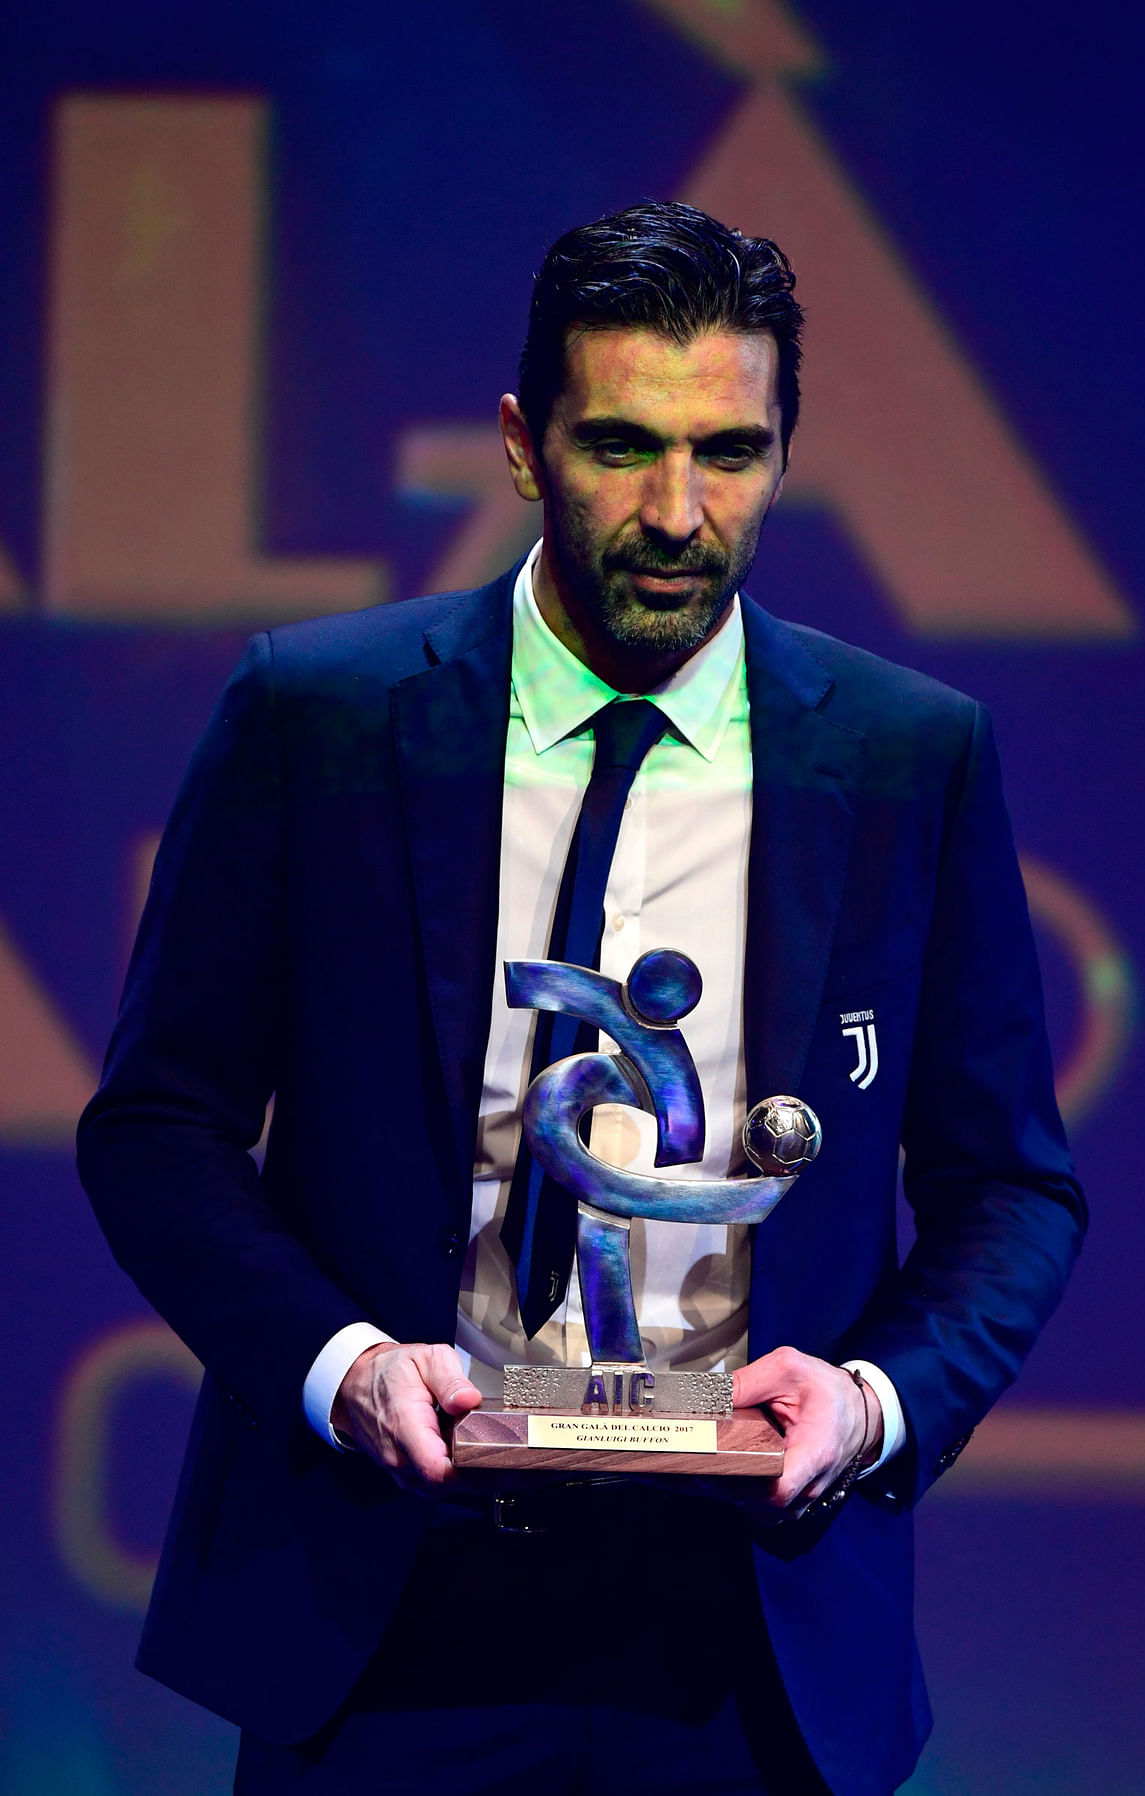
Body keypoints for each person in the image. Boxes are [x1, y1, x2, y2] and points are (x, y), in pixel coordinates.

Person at [77, 203, 1085, 1796]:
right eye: (622, 444)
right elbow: (157, 1127)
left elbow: (1011, 1183)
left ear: (786, 454)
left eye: (731, 452)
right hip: (385, 1603)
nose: (679, 512)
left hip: (749, 1631)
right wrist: (341, 1365)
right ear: (520, 444)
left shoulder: (910, 755)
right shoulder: (316, 718)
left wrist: (872, 1402)